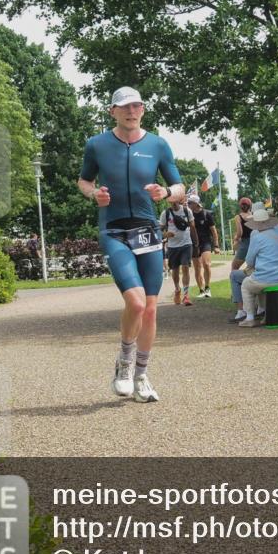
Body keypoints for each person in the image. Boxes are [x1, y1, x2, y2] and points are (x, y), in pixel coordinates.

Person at [77, 86, 184, 403]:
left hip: (148, 230)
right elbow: (84, 180)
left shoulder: (158, 145)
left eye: (136, 106)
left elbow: (178, 185)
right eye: (124, 107)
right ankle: (124, 365)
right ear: (112, 111)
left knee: (150, 310)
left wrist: (165, 194)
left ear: (143, 110)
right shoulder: (96, 145)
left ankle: (141, 376)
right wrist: (92, 194)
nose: (131, 111)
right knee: (136, 303)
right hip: (114, 230)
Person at [228, 207, 278, 327]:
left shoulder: (257, 236)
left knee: (247, 285)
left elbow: (249, 261)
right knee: (259, 283)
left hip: (267, 277)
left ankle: (249, 317)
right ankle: (266, 313)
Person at [160, 197, 200, 305]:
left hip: (186, 244)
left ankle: (186, 295)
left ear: (179, 200)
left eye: (174, 201)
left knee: (185, 267)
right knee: (175, 270)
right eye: (171, 201)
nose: (173, 203)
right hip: (172, 246)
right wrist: (165, 234)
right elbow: (159, 230)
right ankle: (177, 289)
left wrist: (196, 243)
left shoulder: (187, 211)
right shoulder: (166, 213)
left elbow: (192, 227)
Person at [187, 193, 220, 298]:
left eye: (190, 203)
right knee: (197, 267)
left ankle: (207, 288)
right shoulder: (189, 215)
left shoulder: (207, 214)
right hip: (194, 243)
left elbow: (214, 231)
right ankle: (201, 290)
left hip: (206, 242)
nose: (188, 204)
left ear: (196, 203)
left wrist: (216, 245)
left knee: (206, 264)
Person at [231, 197, 254, 270]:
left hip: (245, 244)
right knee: (251, 267)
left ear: (240, 206)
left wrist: (236, 238)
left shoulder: (238, 217)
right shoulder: (254, 215)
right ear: (250, 206)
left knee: (234, 267)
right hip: (256, 242)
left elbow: (240, 233)